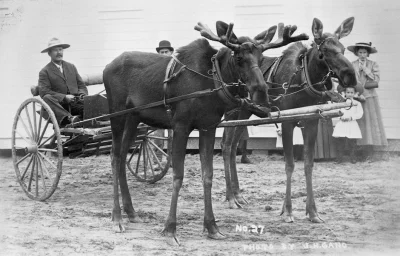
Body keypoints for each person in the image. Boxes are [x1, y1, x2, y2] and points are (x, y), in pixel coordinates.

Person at [347, 42, 388, 161]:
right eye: (360, 52)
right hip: (356, 97)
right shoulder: (352, 64)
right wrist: (356, 94)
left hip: (370, 96)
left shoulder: (373, 64)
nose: (362, 55)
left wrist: (365, 70)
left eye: (365, 52)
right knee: (358, 123)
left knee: (370, 123)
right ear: (356, 53)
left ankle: (370, 151)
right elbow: (350, 81)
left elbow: (376, 80)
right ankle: (358, 152)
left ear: (368, 53)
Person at [38, 37, 87, 126]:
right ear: (49, 53)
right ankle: (69, 118)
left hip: (76, 102)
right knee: (47, 97)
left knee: (94, 106)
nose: (59, 52)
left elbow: (81, 85)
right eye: (55, 50)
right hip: (60, 105)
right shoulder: (45, 71)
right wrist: (64, 97)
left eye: (60, 50)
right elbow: (44, 91)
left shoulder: (71, 67)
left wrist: (82, 94)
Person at [153, 40, 174, 163]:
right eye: (162, 52)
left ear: (171, 52)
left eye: (166, 52)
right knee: (158, 135)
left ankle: (171, 160)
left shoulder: (175, 67)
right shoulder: (154, 69)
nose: (164, 54)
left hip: (172, 105)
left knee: (174, 135)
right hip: (158, 106)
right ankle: (157, 161)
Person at [332, 87, 364, 163]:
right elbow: (337, 111)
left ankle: (353, 157)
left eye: (351, 92)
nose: (349, 94)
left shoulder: (357, 103)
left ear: (354, 93)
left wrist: (351, 117)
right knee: (340, 142)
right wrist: (341, 117)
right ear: (345, 93)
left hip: (351, 123)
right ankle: (339, 158)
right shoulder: (341, 103)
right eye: (348, 92)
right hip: (342, 123)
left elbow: (360, 113)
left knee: (352, 142)